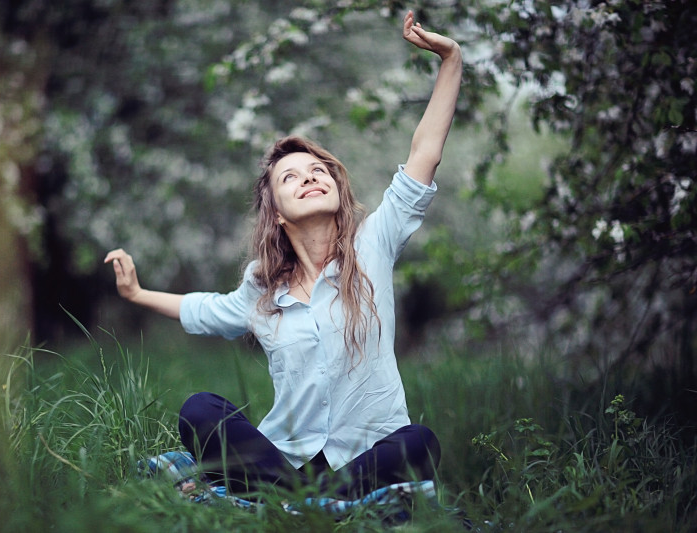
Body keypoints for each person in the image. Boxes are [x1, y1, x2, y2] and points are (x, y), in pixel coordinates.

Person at [105, 10, 462, 499]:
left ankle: (296, 501)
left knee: (420, 443)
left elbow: (425, 151)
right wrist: (137, 292)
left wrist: (451, 60)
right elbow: (205, 310)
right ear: (277, 214)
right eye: (291, 177)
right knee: (200, 410)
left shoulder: (373, 244)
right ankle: (315, 501)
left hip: (366, 458)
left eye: (318, 170)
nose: (310, 177)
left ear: (335, 186)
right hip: (285, 458)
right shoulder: (262, 287)